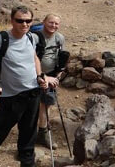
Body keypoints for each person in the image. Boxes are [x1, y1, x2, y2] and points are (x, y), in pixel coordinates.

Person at [0, 6, 57, 167]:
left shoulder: (32, 38)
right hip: (10, 97)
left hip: (32, 93)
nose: (24, 24)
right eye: (20, 21)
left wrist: (40, 75)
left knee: (28, 136)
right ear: (12, 21)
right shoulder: (0, 40)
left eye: (28, 21)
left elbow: (34, 58)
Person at [35, 14, 66, 149]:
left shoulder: (60, 38)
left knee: (46, 104)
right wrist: (42, 77)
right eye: (51, 22)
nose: (53, 26)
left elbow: (61, 59)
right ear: (44, 22)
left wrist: (57, 77)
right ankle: (28, 136)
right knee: (30, 107)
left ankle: (42, 133)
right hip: (33, 76)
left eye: (56, 24)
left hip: (52, 77)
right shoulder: (35, 37)